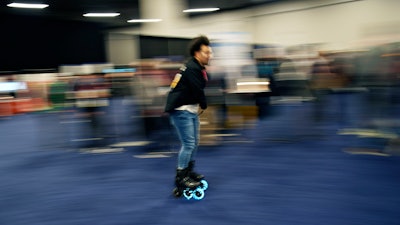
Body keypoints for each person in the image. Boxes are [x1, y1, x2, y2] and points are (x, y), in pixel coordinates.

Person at [165, 35, 212, 191]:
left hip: (189, 109)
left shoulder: (196, 67)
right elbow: (198, 89)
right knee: (188, 144)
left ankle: (189, 172)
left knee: (194, 143)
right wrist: (204, 103)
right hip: (181, 110)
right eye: (206, 52)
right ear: (197, 53)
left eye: (209, 52)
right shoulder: (192, 67)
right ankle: (181, 177)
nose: (209, 55)